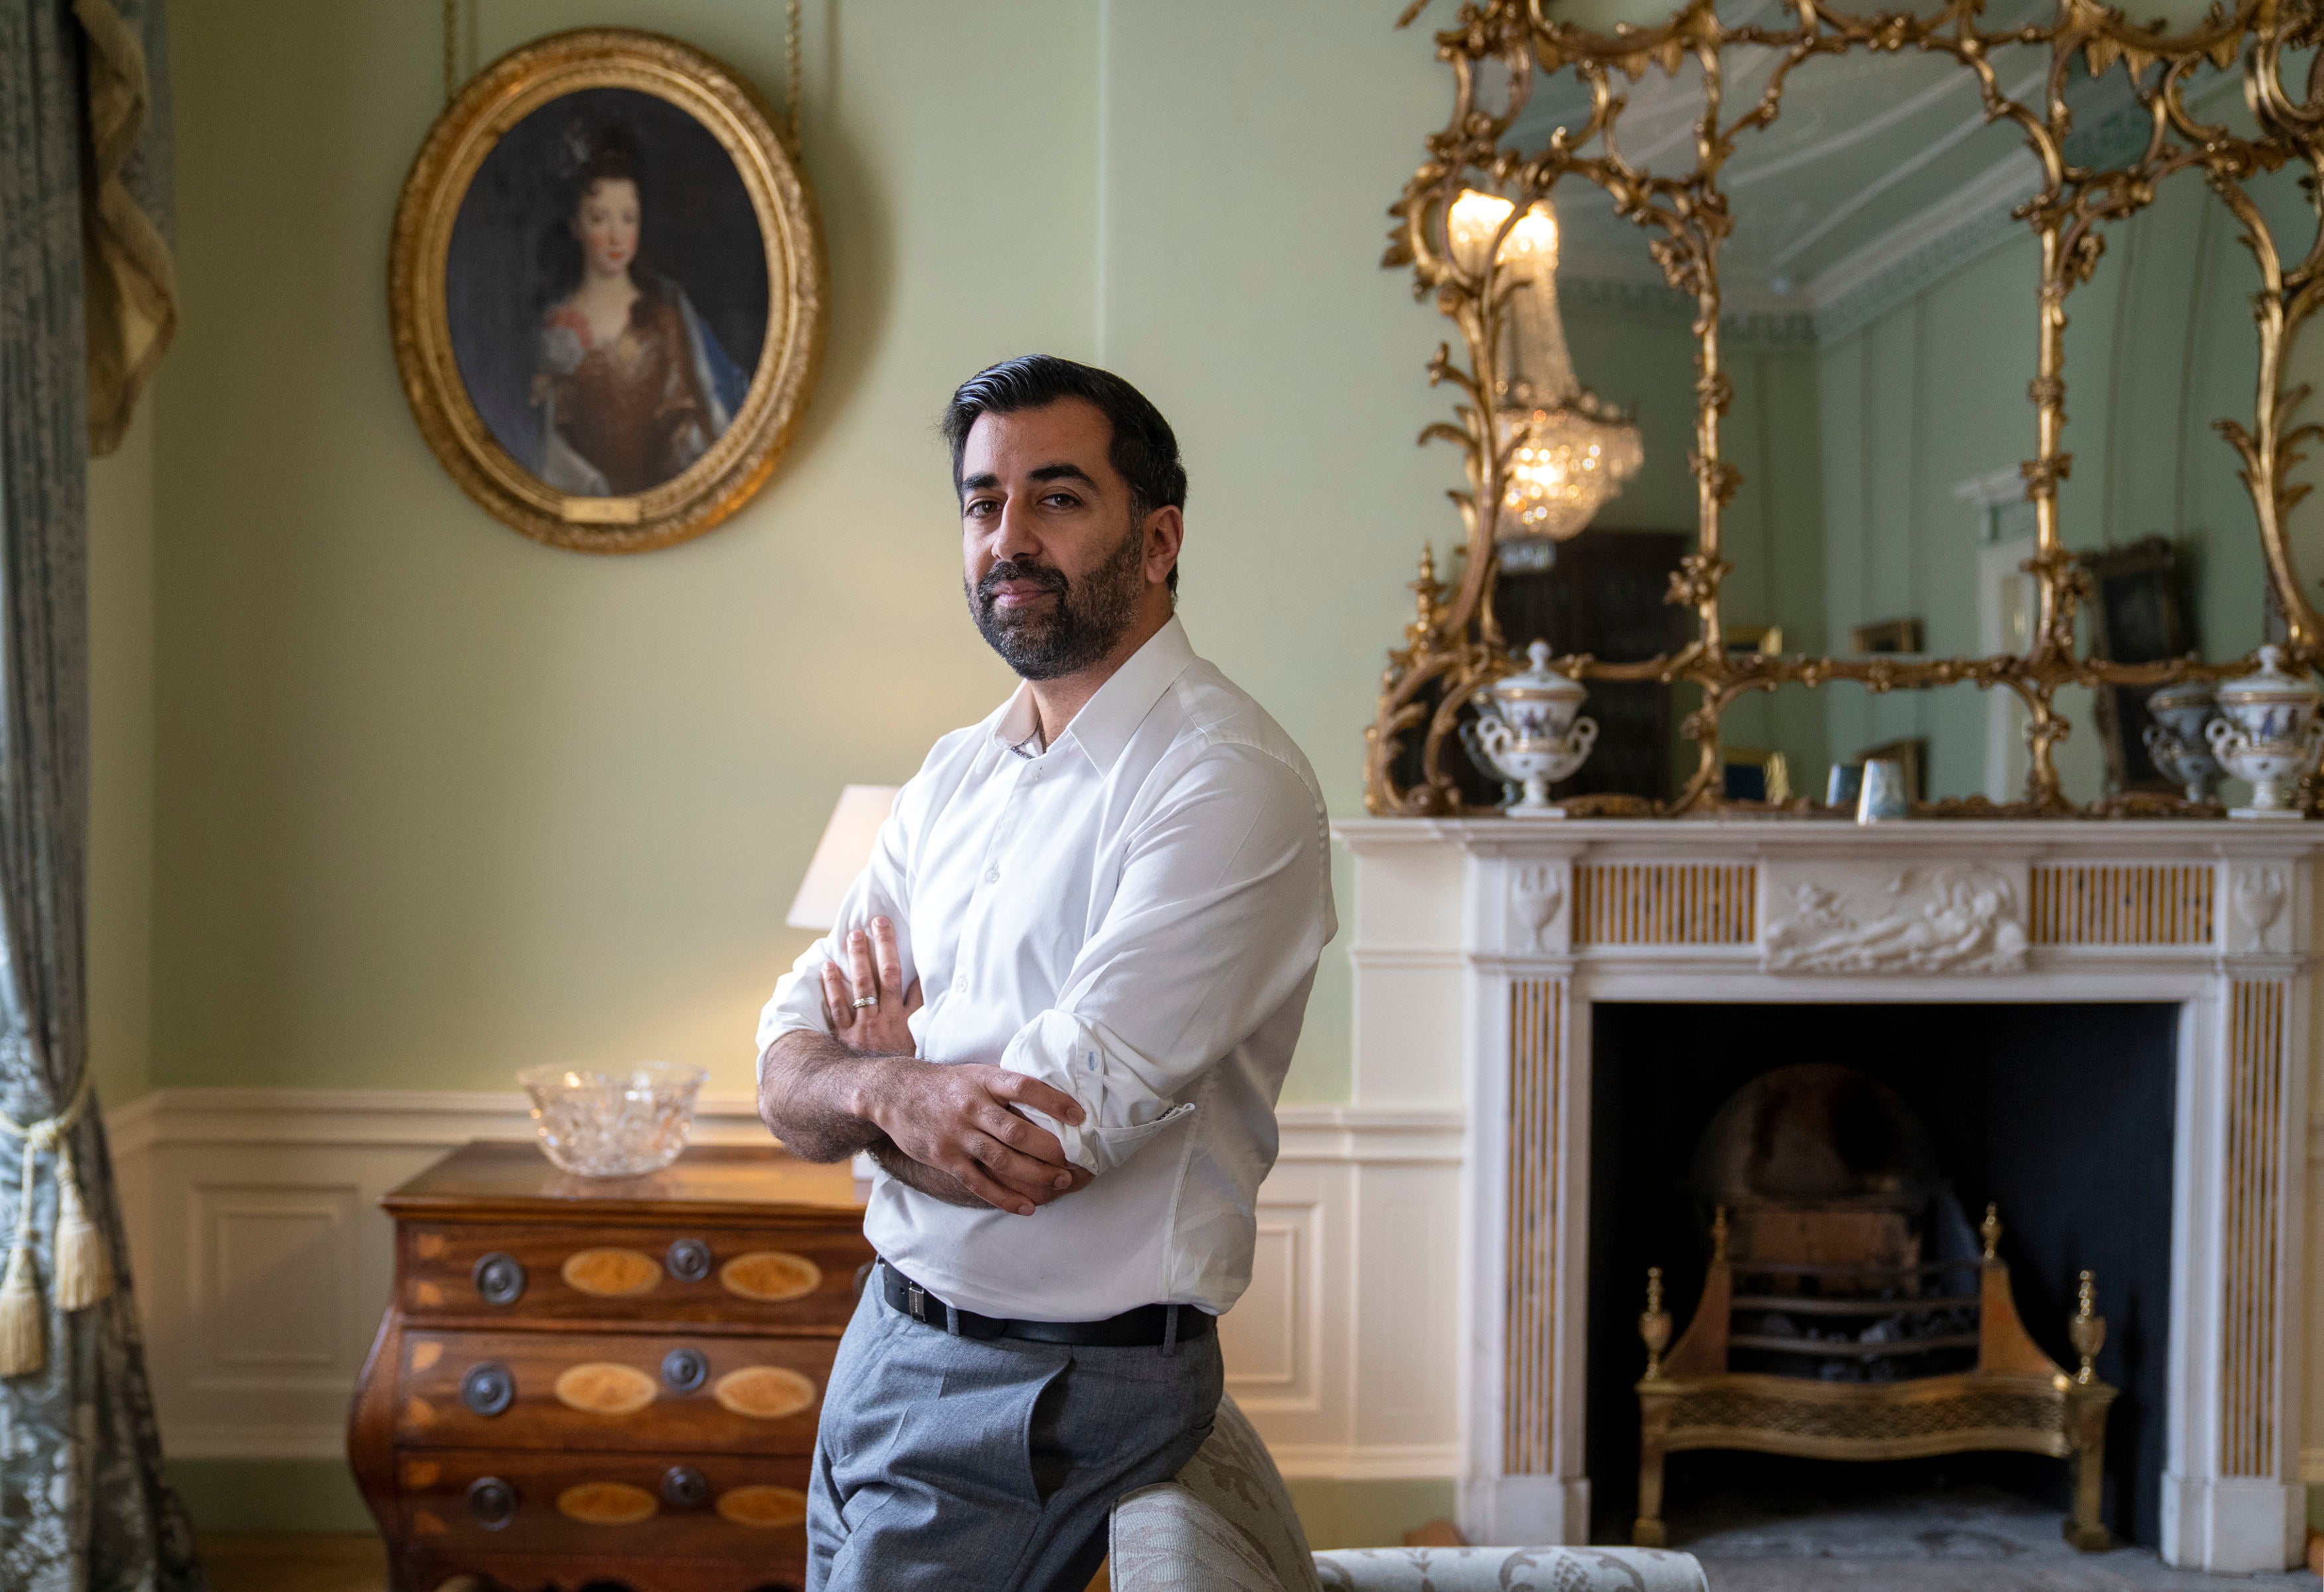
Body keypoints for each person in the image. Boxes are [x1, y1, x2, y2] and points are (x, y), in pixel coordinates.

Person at [755, 355, 1335, 1591]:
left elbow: (1036, 1154)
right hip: (886, 1336)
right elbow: (782, 1056)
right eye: (981, 503)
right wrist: (895, 1093)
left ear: (1160, 537)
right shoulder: (957, 769)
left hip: (1056, 1388)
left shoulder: (1228, 782)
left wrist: (862, 1087)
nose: (1008, 537)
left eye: (1057, 498)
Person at [529, 123, 749, 495]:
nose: (616, 236)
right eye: (600, 219)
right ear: (576, 226)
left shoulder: (665, 309)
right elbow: (549, 442)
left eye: (628, 218)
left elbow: (698, 411)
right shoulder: (552, 323)